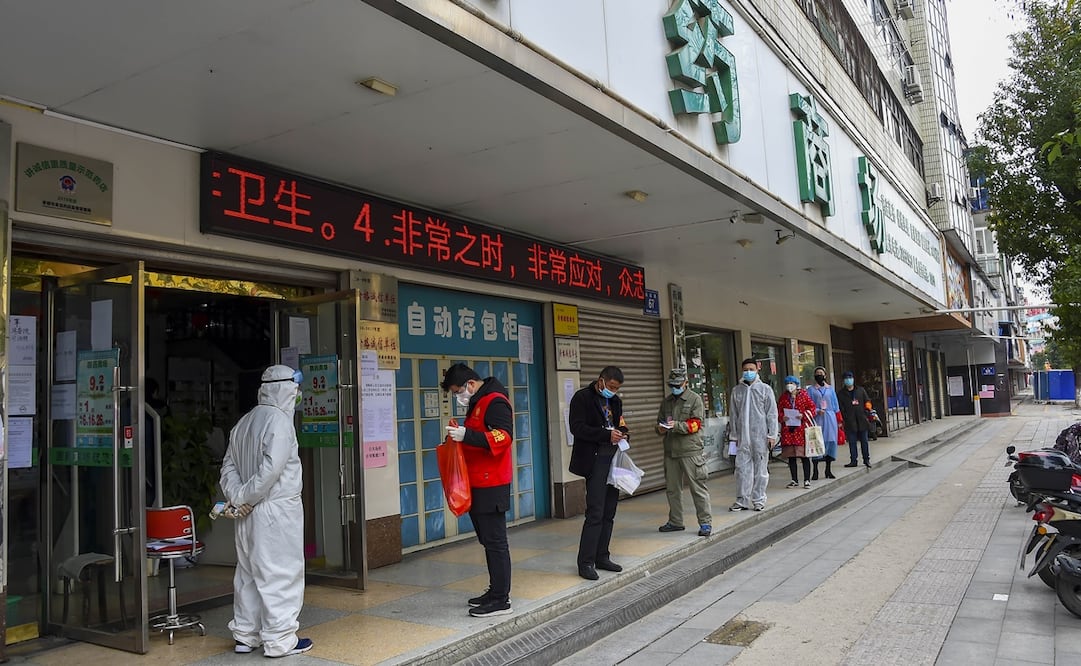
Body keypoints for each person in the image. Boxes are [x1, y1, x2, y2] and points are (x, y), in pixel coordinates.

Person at [219, 365, 312, 657]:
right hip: (275, 512)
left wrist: (237, 497)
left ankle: (245, 635)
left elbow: (228, 468)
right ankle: (280, 639)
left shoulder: (244, 422)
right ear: (284, 390)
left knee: (247, 574)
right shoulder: (280, 423)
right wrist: (246, 497)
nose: (297, 396)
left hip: (247, 514)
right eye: (295, 391)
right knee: (280, 573)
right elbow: (271, 471)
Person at [441, 363, 515, 617]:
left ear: (470, 384)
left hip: (492, 483)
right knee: (488, 541)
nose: (458, 397)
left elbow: (504, 437)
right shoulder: (478, 401)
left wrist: (467, 436)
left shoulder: (495, 401)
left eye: (457, 391)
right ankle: (495, 590)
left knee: (495, 542)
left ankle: (501, 599)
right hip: (477, 482)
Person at [569, 366, 629, 580]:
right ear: (601, 380)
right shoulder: (582, 398)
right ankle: (585, 562)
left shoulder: (615, 401)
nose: (613, 391)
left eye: (617, 388)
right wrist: (605, 435)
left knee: (609, 511)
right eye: (611, 387)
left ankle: (602, 556)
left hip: (613, 459)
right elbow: (576, 428)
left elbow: (620, 424)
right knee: (595, 512)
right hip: (593, 460)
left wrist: (623, 435)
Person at [655, 368, 713, 537]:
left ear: (685, 383)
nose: (674, 388)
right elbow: (659, 422)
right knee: (672, 489)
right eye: (671, 385)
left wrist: (676, 426)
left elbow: (696, 424)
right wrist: (660, 428)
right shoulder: (666, 402)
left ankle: (705, 523)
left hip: (690, 451)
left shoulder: (695, 399)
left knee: (698, 488)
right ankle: (675, 521)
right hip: (671, 451)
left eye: (677, 385)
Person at [728, 358, 778, 511]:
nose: (748, 372)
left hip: (760, 437)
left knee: (761, 470)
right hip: (743, 438)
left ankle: (759, 499)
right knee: (742, 470)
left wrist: (772, 434)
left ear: (757, 370)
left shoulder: (765, 389)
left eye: (751, 369)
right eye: (745, 369)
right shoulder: (737, 390)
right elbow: (733, 415)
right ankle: (742, 500)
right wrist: (733, 437)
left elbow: (772, 414)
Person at [777, 375, 817, 489]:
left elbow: (812, 409)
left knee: (804, 456)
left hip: (801, 430)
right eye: (787, 383)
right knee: (791, 457)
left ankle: (807, 480)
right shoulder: (783, 397)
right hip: (788, 430)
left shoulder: (804, 396)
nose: (789, 385)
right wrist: (782, 417)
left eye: (791, 383)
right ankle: (794, 479)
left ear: (796, 384)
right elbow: (778, 411)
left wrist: (803, 415)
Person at [806, 366, 840, 480]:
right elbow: (808, 405)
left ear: (825, 375)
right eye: (817, 373)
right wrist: (816, 411)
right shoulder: (811, 390)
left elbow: (836, 405)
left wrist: (839, 420)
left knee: (830, 441)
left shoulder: (830, 389)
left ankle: (828, 469)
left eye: (821, 373)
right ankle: (815, 470)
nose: (819, 375)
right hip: (817, 419)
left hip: (830, 418)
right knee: (817, 442)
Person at [837, 370, 872, 468]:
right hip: (850, 421)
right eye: (846, 378)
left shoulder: (860, 390)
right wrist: (844, 417)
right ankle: (853, 460)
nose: (848, 380)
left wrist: (867, 411)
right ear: (844, 381)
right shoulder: (841, 394)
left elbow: (867, 401)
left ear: (853, 379)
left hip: (862, 420)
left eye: (850, 378)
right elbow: (840, 407)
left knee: (864, 441)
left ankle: (866, 460)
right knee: (852, 442)